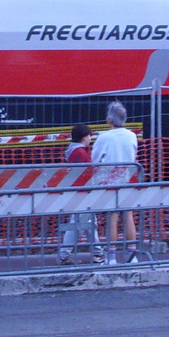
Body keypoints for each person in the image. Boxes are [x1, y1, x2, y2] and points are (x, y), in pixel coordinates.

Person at [90, 102, 140, 264]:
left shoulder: (103, 137)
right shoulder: (132, 135)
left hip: (108, 181)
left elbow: (95, 160)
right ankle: (132, 256)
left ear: (109, 120)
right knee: (129, 216)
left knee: (112, 217)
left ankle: (111, 257)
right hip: (127, 178)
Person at [58, 123, 102, 265]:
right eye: (90, 135)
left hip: (80, 192)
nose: (91, 138)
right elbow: (87, 173)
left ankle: (98, 252)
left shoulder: (74, 151)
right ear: (84, 137)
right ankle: (65, 254)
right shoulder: (81, 153)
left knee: (88, 222)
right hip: (83, 193)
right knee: (79, 223)